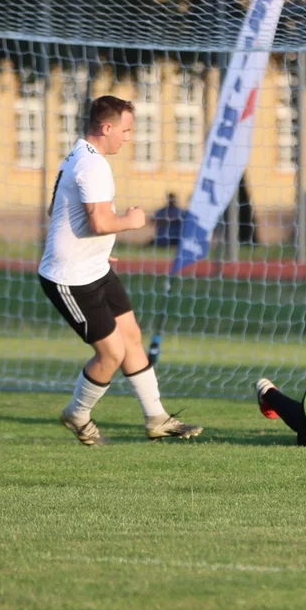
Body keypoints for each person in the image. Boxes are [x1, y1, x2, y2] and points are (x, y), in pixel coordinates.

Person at [39, 95, 202, 446]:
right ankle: (77, 413)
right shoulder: (91, 164)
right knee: (111, 352)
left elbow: (61, 212)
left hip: (93, 267)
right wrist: (132, 221)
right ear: (106, 127)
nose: (128, 138)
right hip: (70, 278)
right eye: (125, 130)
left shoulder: (81, 155)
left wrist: (97, 252)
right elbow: (98, 221)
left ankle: (157, 417)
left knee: (131, 338)